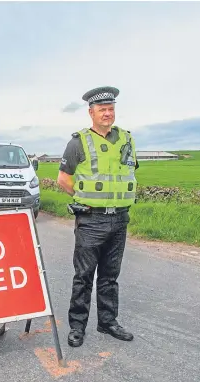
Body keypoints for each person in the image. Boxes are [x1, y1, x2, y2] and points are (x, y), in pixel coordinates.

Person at [56, 86, 139, 348]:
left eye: (111, 108)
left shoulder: (127, 139)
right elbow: (63, 180)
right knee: (83, 276)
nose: (107, 113)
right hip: (91, 220)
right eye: (102, 109)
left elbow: (127, 173)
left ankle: (108, 322)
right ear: (91, 112)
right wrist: (84, 199)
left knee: (110, 276)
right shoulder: (78, 142)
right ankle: (77, 327)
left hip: (120, 219)